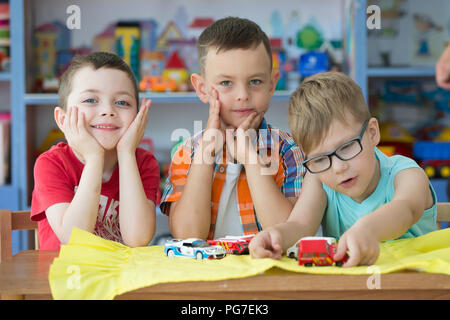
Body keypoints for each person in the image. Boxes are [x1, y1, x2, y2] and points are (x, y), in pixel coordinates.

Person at [249, 72, 437, 267]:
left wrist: (367, 229)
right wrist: (275, 235)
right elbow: (300, 225)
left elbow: (407, 209)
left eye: (347, 147)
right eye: (320, 159)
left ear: (372, 133)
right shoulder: (319, 180)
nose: (338, 168)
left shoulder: (406, 173)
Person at [160, 17, 304, 240]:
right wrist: (206, 154)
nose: (243, 95)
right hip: (208, 273)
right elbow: (188, 235)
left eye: (255, 81)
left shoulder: (288, 151)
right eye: (226, 83)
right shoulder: (187, 153)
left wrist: (250, 157)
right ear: (202, 88)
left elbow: (287, 234)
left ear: (272, 84)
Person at [31, 52, 160, 250]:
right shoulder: (51, 163)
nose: (108, 111)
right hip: (66, 278)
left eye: (122, 102)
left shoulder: (143, 162)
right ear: (63, 120)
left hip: (121, 279)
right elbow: (74, 238)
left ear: (138, 117)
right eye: (90, 100)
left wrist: (126, 153)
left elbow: (138, 238)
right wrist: (94, 158)